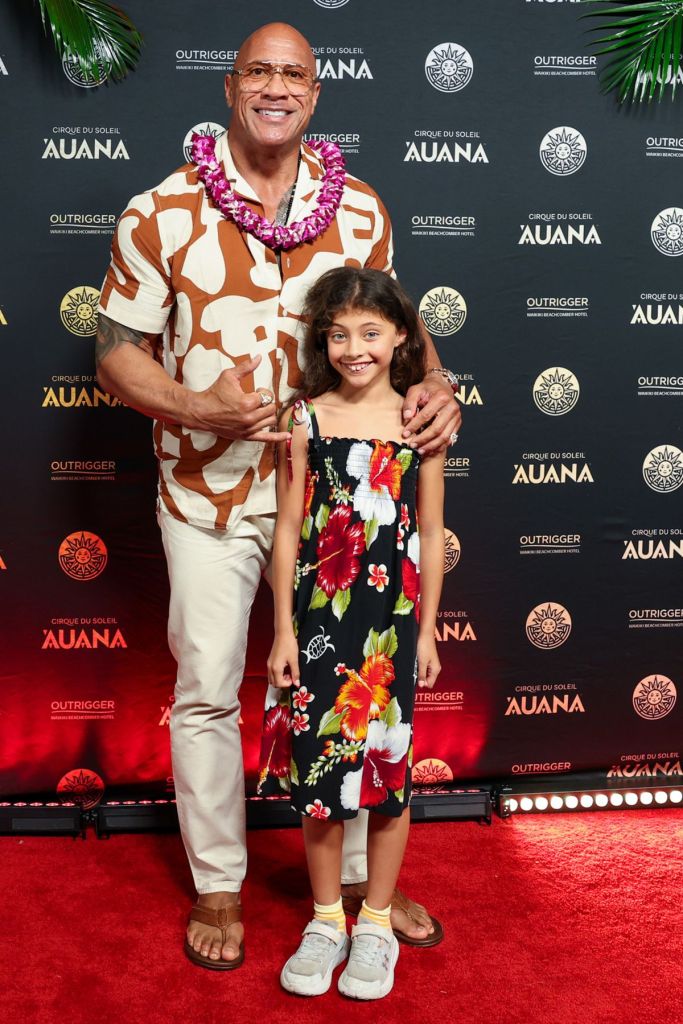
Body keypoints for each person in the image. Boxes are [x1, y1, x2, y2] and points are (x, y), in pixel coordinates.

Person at [95, 21, 460, 970]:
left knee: (353, 689)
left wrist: (439, 385)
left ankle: (351, 898)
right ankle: (219, 882)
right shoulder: (158, 211)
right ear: (229, 86)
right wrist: (195, 406)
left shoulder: (363, 209)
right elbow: (113, 356)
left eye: (292, 74)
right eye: (258, 70)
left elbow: (398, 332)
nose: (275, 87)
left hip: (342, 502)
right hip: (206, 492)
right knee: (211, 689)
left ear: (314, 94)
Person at [264, 266, 444, 999]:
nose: (353, 348)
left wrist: (427, 630)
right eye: (337, 334)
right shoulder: (304, 417)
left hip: (393, 627)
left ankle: (374, 925)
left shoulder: (419, 420)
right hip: (317, 624)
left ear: (402, 335)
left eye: (370, 332)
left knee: (388, 775)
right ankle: (326, 919)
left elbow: (430, 532)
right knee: (318, 775)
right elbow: (284, 532)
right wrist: (280, 630)